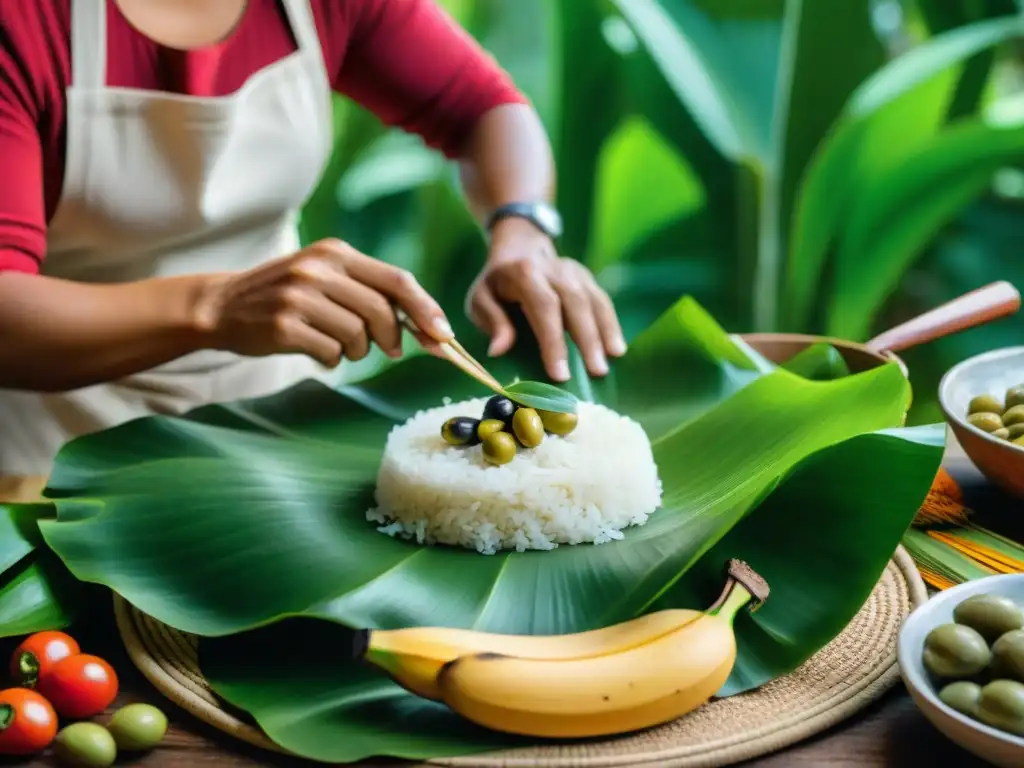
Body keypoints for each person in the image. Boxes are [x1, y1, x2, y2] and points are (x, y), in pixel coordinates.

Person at [0, 0, 627, 477]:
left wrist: (523, 230)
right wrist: (215, 306)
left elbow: (483, 108)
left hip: (279, 426)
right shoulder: (25, 22)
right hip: (53, 449)